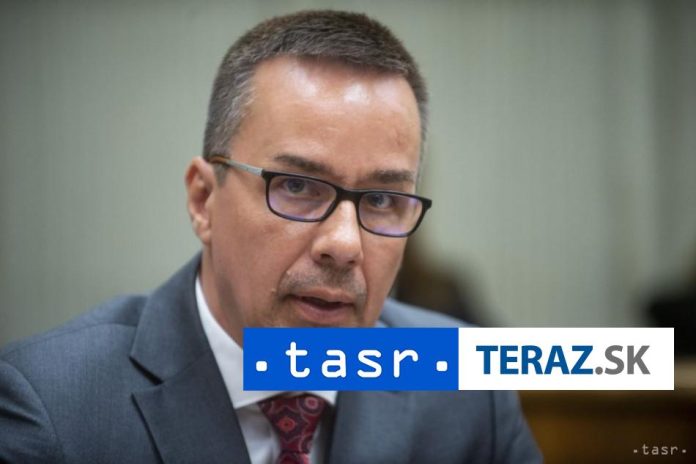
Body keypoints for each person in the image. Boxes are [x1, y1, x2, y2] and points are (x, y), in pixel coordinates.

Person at [0, 10, 541, 463]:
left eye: (381, 199)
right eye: (298, 186)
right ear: (204, 200)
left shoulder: (467, 391)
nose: (344, 245)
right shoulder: (51, 407)